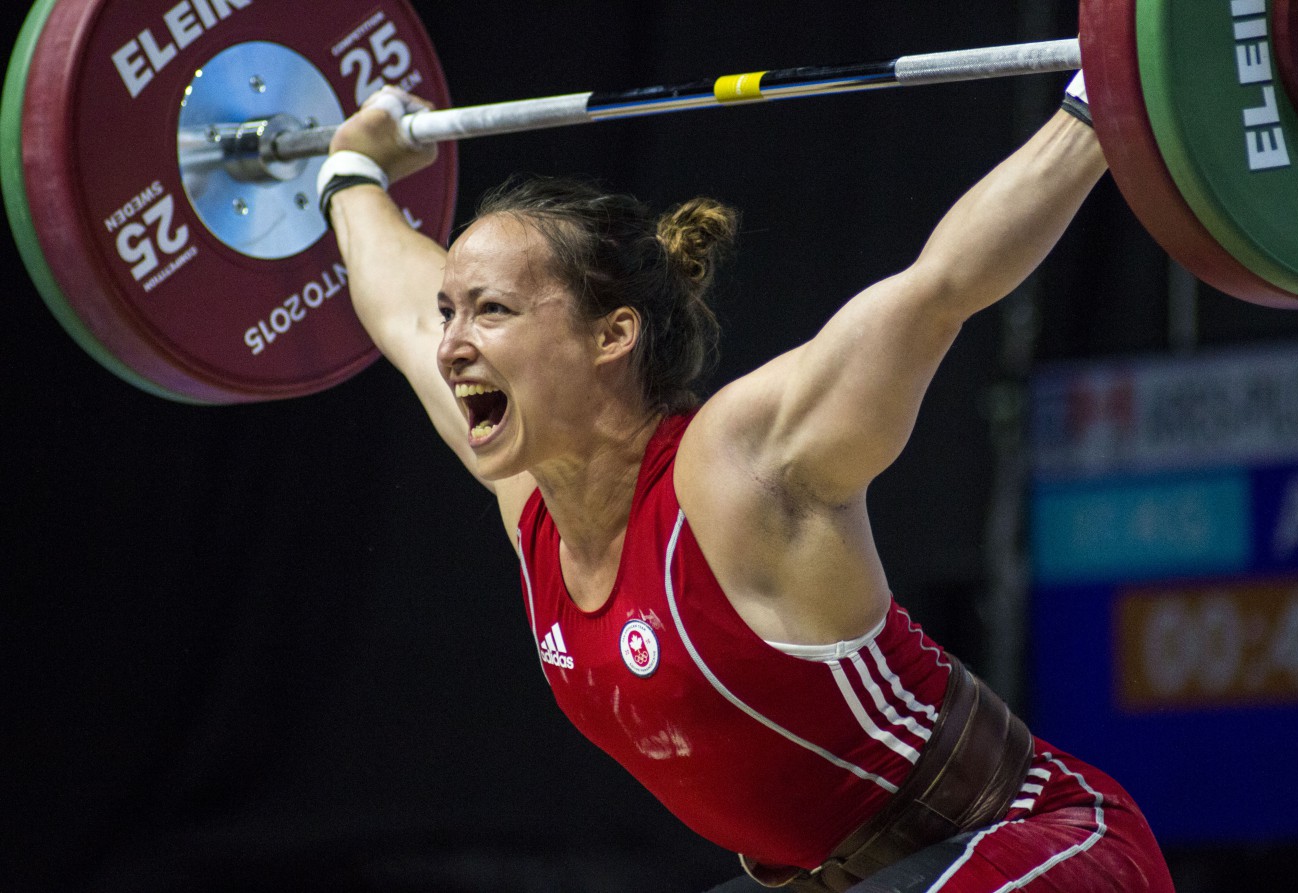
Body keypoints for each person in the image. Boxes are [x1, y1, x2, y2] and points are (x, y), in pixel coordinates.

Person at [316, 61, 1175, 891]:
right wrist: (353, 172)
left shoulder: (737, 467)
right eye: (451, 312)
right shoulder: (530, 493)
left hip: (1036, 843)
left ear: (612, 336)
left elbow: (940, 288)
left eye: (492, 310)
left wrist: (1105, 99)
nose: (452, 343)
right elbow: (398, 303)